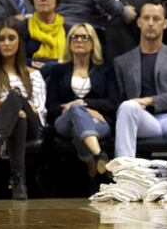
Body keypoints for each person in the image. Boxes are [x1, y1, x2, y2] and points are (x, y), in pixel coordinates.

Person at [114, 0, 167, 158]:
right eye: (146, 18)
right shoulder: (122, 62)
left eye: (156, 19)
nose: (151, 23)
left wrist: (148, 100)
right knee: (127, 106)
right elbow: (119, 99)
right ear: (139, 22)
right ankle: (125, 171)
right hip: (144, 121)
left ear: (165, 24)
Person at [0, 18, 46, 199]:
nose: (6, 43)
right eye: (1, 39)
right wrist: (6, 105)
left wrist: (16, 102)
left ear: (20, 42)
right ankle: (19, 180)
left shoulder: (34, 75)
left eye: (11, 38)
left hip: (32, 126)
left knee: (16, 98)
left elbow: (40, 111)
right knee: (18, 117)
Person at [46, 23, 118, 177]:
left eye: (84, 37)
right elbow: (51, 106)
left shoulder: (106, 70)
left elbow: (112, 103)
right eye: (75, 37)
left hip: (99, 122)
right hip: (63, 121)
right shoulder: (58, 71)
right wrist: (77, 108)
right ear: (69, 42)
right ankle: (99, 155)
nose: (79, 40)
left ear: (93, 43)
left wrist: (84, 104)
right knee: (75, 110)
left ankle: (90, 162)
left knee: (77, 126)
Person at [19, 0, 68, 70]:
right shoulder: (22, 28)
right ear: (32, 1)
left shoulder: (68, 30)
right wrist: (30, 63)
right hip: (32, 74)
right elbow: (15, 58)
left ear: (56, 0)